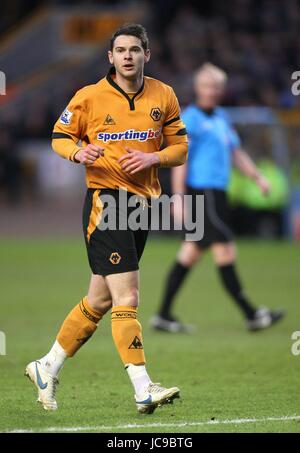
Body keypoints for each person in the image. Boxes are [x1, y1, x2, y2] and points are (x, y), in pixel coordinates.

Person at [25, 23, 188, 414]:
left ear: (146, 55)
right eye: (121, 50)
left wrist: (154, 157)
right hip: (106, 202)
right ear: (110, 57)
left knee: (99, 299)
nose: (128, 56)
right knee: (127, 297)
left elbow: (180, 147)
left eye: (135, 49)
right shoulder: (89, 97)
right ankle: (143, 387)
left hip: (144, 205)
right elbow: (59, 136)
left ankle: (46, 366)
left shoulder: (163, 95)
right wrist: (76, 153)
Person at [151, 63, 285, 333]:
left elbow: (236, 153)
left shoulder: (221, 118)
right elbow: (180, 160)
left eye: (216, 87)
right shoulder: (191, 119)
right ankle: (252, 314)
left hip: (217, 194)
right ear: (198, 88)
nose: (212, 91)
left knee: (189, 254)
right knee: (225, 249)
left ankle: (163, 315)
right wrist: (178, 197)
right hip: (204, 194)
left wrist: (257, 177)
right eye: (207, 86)